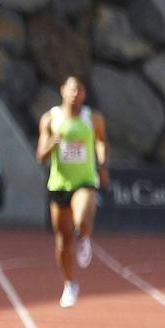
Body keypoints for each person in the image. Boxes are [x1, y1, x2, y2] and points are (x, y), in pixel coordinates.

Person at [36, 76, 108, 308]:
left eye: (79, 90)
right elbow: (40, 156)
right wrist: (52, 144)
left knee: (82, 217)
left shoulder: (93, 119)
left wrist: (102, 162)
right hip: (59, 184)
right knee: (62, 242)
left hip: (85, 180)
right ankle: (69, 284)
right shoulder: (50, 119)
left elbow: (101, 141)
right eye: (72, 89)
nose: (75, 94)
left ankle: (85, 237)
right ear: (63, 91)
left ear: (84, 94)